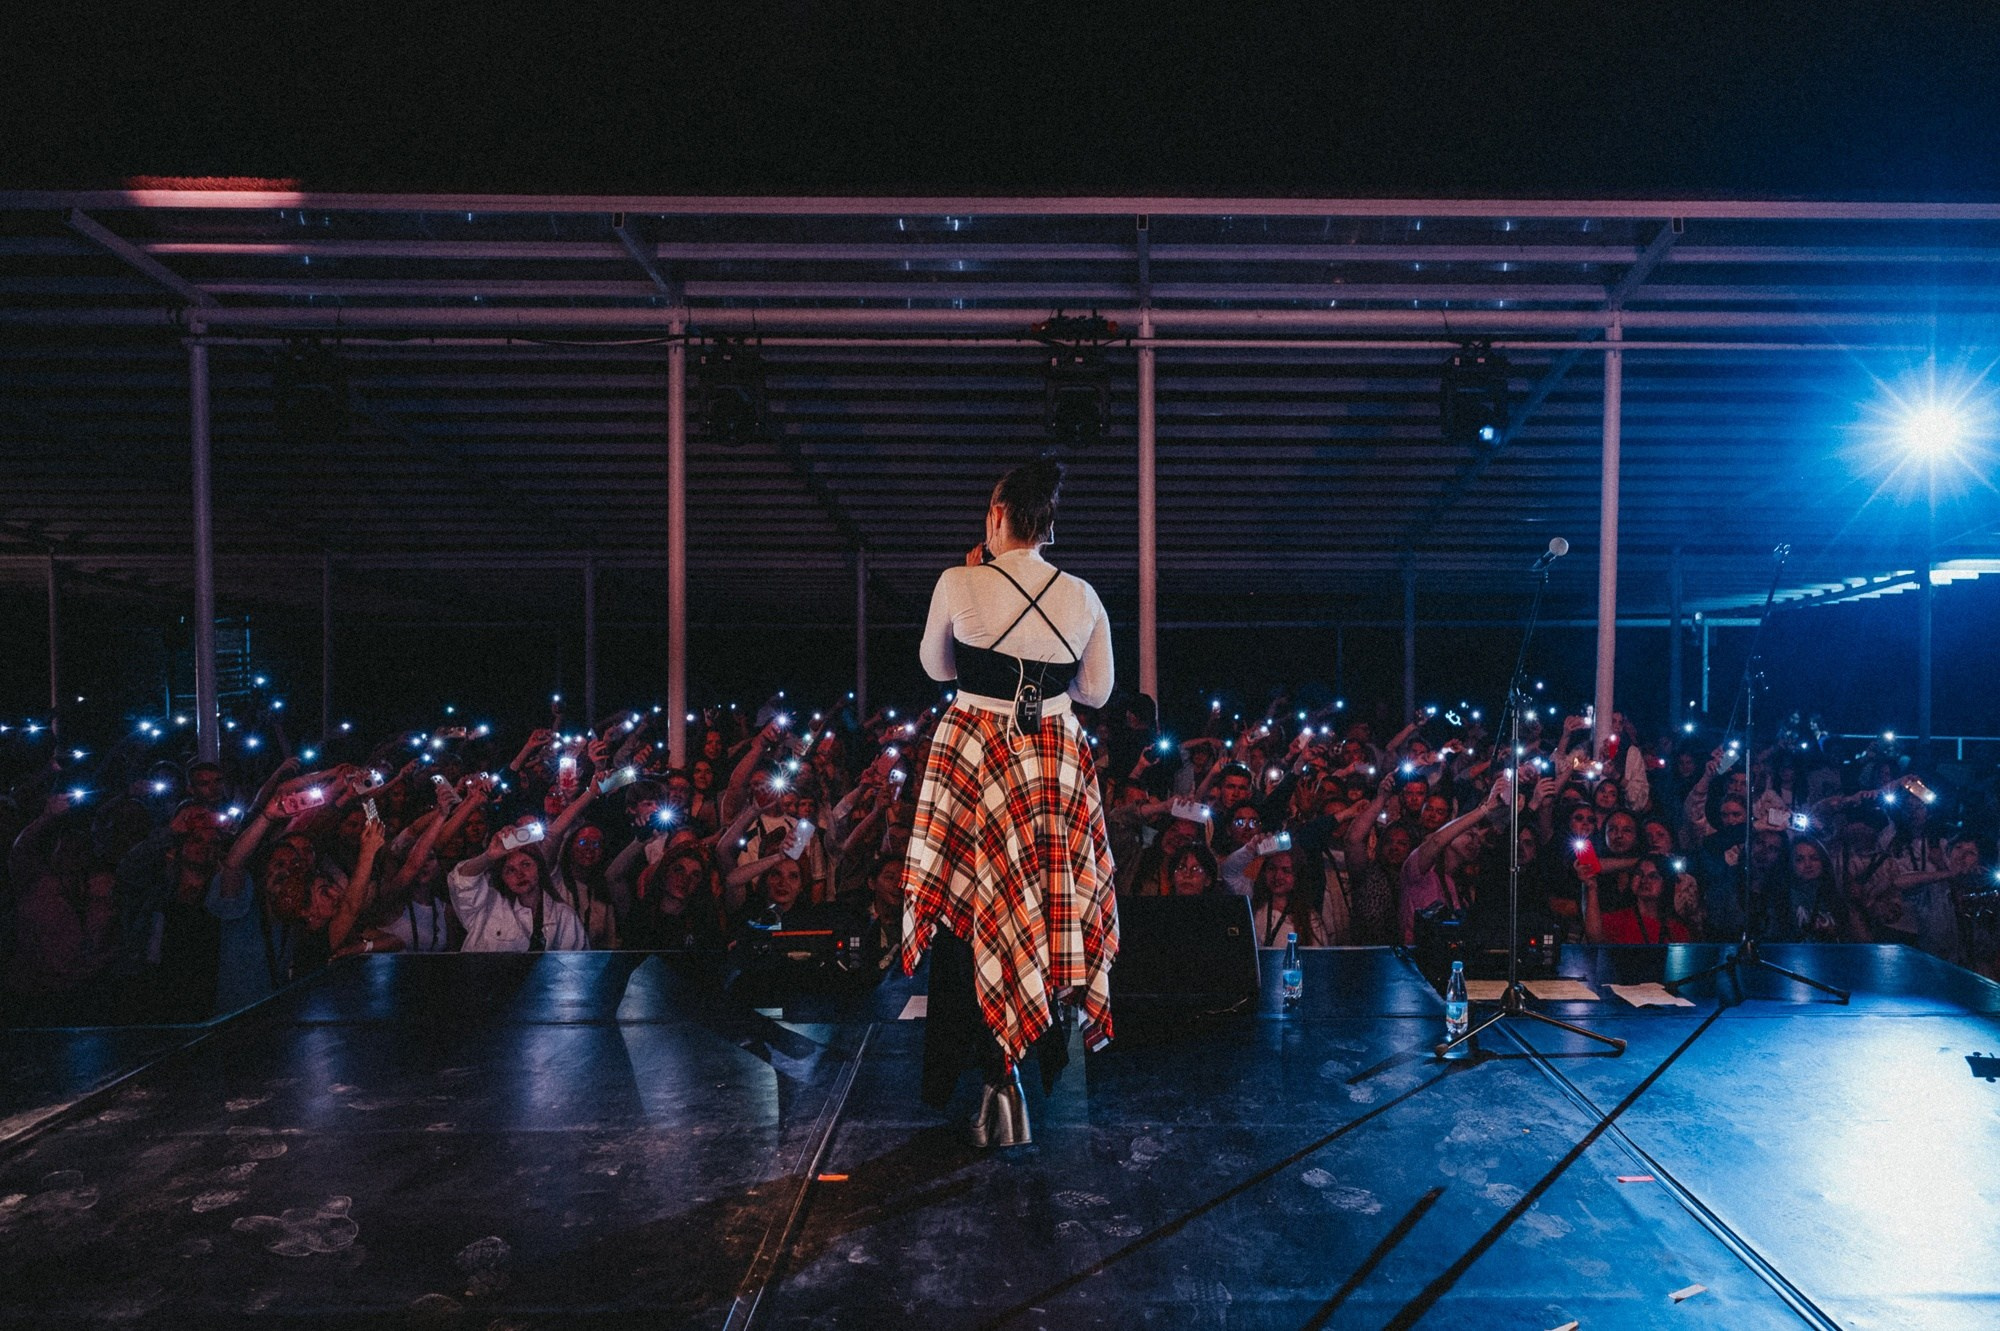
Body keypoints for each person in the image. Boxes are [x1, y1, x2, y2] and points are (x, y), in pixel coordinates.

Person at [901, 459, 1117, 1147]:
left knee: (972, 911)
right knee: (1044, 905)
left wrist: (977, 582)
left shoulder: (958, 581)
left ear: (997, 516)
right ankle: (1017, 1067)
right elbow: (1097, 693)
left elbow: (937, 668)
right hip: (1050, 758)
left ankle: (988, 1076)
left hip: (972, 751)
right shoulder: (1082, 594)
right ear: (1048, 524)